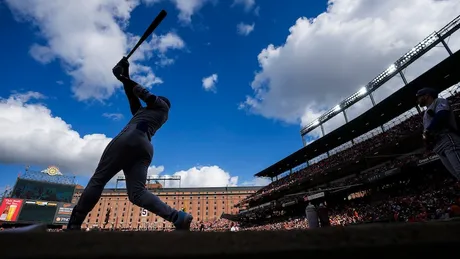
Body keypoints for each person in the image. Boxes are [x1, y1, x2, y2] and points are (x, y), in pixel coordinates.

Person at [67, 57, 193, 231]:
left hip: (130, 137)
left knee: (98, 180)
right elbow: (131, 94)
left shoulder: (162, 107)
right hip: (144, 148)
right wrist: (125, 72)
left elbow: (143, 93)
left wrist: (122, 78)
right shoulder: (142, 113)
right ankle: (177, 217)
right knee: (137, 193)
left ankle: (74, 224)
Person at [417, 87, 460, 181]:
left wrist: (428, 131)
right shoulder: (425, 113)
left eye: (419, 97)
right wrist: (427, 143)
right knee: (457, 175)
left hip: (447, 139)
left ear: (427, 95)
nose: (418, 100)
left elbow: (442, 115)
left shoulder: (439, 101)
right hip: (437, 146)